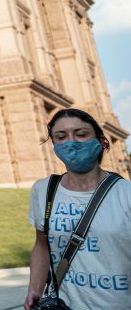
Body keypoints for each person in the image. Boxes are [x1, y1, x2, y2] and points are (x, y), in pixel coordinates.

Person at [23, 108, 130, 310]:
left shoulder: (125, 193)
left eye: (81, 134)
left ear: (101, 141)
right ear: (54, 145)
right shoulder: (43, 190)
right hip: (65, 305)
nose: (71, 142)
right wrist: (34, 288)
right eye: (61, 137)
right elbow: (42, 245)